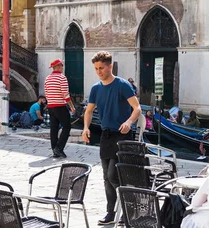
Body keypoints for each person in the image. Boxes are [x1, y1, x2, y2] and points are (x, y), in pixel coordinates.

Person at [82, 51, 141, 226]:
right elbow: (89, 111)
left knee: (113, 175)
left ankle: (128, 209)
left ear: (110, 66)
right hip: (106, 136)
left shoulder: (123, 85)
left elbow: (137, 108)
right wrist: (85, 128)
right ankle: (111, 212)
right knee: (106, 177)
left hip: (122, 136)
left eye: (101, 68)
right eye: (96, 69)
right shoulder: (95, 88)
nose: (99, 71)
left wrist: (129, 122)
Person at [44, 59, 75, 159]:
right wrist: (72, 107)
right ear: (58, 66)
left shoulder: (47, 79)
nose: (63, 67)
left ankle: (55, 150)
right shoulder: (62, 78)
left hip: (51, 106)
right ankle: (59, 148)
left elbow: (47, 94)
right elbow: (65, 94)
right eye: (62, 65)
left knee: (54, 128)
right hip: (60, 106)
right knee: (67, 127)